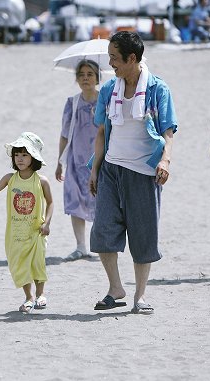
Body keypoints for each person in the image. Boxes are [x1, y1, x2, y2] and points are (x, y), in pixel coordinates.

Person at [88, 31, 177, 314]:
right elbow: (102, 131)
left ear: (132, 58)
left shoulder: (157, 89)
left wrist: (165, 161)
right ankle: (116, 288)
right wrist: (95, 170)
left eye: (115, 57)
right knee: (102, 232)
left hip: (143, 171)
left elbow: (168, 132)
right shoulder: (108, 90)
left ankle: (139, 297)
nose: (111, 63)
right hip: (111, 170)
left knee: (143, 235)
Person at [0, 132, 54, 313]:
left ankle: (40, 294)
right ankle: (28, 297)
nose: (20, 159)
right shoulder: (9, 178)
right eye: (17, 154)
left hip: (36, 231)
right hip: (15, 233)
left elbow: (51, 202)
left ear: (33, 157)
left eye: (25, 154)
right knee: (20, 264)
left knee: (38, 263)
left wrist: (47, 224)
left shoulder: (41, 181)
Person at [56, 59, 100, 261]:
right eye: (81, 74)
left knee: (101, 202)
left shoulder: (105, 101)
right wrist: (59, 162)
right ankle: (81, 246)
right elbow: (65, 134)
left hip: (99, 160)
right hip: (75, 160)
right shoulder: (72, 103)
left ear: (97, 77)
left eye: (90, 74)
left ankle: (101, 244)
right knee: (75, 201)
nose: (85, 78)